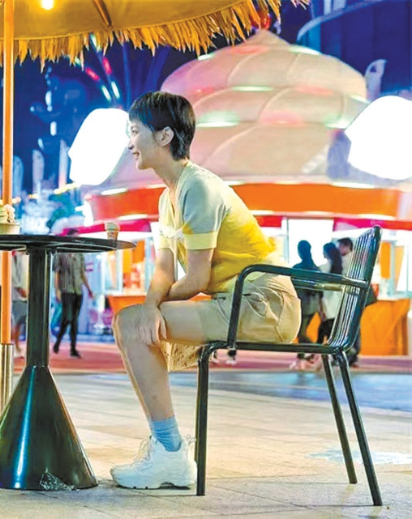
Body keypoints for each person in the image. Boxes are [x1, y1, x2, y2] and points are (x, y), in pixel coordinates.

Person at [111, 91, 301, 489]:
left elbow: (196, 279)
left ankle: (169, 454)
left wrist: (151, 309)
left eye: (134, 131)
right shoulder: (167, 197)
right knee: (130, 322)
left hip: (265, 303)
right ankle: (168, 450)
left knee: (131, 324)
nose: (129, 143)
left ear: (164, 136)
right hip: (235, 300)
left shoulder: (198, 187)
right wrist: (150, 305)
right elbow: (165, 270)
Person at [53, 230, 94, 358]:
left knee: (75, 320)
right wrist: (57, 290)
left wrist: (89, 289)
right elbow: (56, 273)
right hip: (66, 290)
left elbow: (82, 273)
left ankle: (73, 348)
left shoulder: (80, 255)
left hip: (78, 290)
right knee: (67, 318)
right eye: (74, 238)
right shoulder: (61, 253)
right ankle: (58, 342)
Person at [289, 240, 322, 371]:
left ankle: (317, 351)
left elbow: (291, 286)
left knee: (301, 333)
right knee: (301, 332)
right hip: (313, 306)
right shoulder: (315, 268)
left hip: (301, 305)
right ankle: (301, 357)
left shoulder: (297, 268)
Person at [337, 237, 362, 367]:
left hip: (350, 298)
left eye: (340, 246)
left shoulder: (348, 260)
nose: (339, 249)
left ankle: (351, 354)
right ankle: (352, 355)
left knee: (349, 327)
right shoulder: (355, 259)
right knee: (353, 326)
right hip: (354, 298)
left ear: (347, 246)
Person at [11, 250, 29, 358]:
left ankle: (28, 348)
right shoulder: (15, 257)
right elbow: (13, 275)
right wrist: (19, 288)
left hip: (30, 293)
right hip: (18, 295)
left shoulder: (31, 256)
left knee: (28, 323)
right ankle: (16, 347)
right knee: (17, 322)